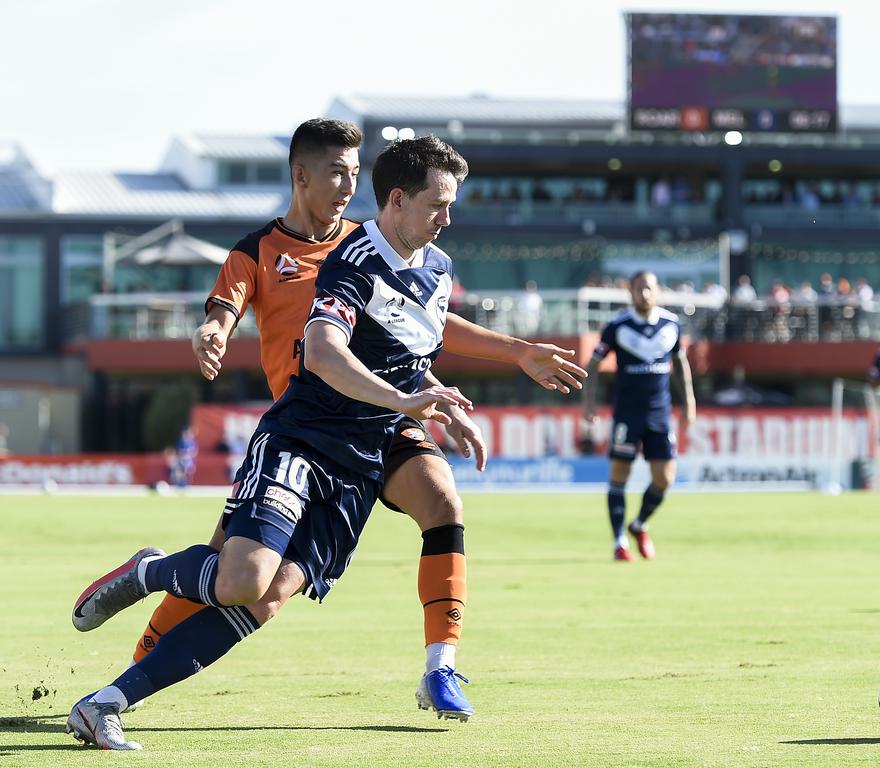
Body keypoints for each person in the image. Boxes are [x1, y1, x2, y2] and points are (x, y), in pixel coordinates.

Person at [66, 136, 584, 750]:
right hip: (306, 434)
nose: (448, 219)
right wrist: (215, 327)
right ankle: (150, 574)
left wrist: (469, 380)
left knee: (275, 590)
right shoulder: (328, 256)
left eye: (352, 173)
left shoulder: (433, 264)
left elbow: (416, 331)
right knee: (240, 579)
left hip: (369, 447)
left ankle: (109, 701)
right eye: (439, 205)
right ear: (303, 176)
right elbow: (317, 346)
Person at [580, 270, 696, 561]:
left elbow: (680, 365)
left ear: (658, 292)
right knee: (619, 476)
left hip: (660, 414)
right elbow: (593, 364)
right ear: (630, 292)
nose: (644, 294)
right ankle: (619, 541)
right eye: (639, 289)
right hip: (627, 414)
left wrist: (690, 402)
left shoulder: (671, 324)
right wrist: (589, 402)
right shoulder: (618, 326)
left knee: (665, 479)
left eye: (649, 289)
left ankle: (639, 524)